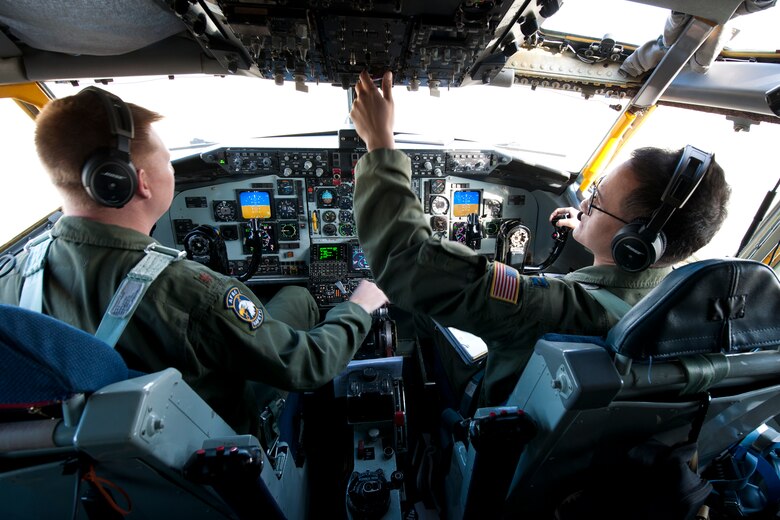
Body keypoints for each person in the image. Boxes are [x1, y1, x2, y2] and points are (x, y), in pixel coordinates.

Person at [0, 87, 389, 436]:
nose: (172, 169)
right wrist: (358, 307)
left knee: (294, 295)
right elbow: (307, 366)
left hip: (102, 448)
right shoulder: (190, 291)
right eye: (168, 162)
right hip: (205, 436)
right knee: (302, 299)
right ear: (138, 181)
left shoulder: (14, 276)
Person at [349, 70, 731, 407]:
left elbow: (411, 264)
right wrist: (587, 227)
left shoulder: (557, 308)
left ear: (633, 245)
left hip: (492, 428)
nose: (583, 200)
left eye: (596, 200)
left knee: (428, 319)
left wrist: (380, 145)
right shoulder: (690, 311)